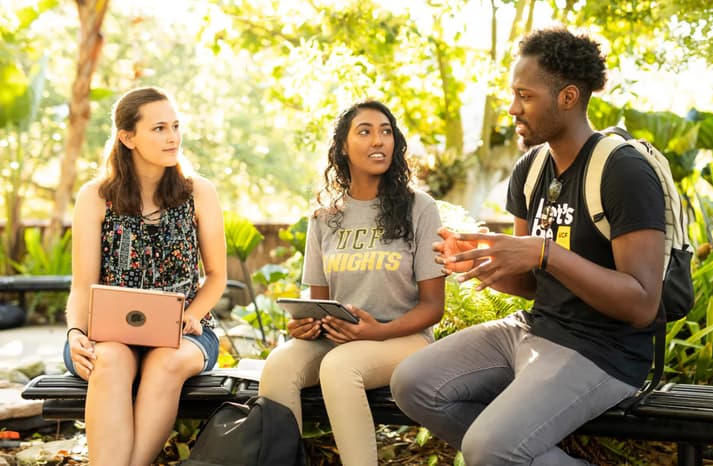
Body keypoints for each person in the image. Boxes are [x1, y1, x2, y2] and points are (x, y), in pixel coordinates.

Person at [391, 26, 666, 465]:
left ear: (569, 97)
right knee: (412, 383)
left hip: (604, 352)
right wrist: (484, 265)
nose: (513, 108)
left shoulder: (623, 170)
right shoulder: (531, 169)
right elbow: (534, 283)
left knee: (487, 448)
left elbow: (641, 304)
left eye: (525, 95)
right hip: (535, 329)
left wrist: (545, 252)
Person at [258, 100, 445, 466]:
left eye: (386, 131)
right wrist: (307, 325)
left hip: (402, 338)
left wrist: (376, 332)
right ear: (342, 147)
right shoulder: (325, 217)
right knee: (279, 366)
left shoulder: (419, 208)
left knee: (340, 366)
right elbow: (320, 303)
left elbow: (433, 308)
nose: (379, 141)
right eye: (365, 132)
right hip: (341, 338)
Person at [63, 86, 227, 466]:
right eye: (158, 129)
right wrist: (75, 333)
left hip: (186, 333)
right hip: (109, 334)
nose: (172, 137)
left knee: (165, 361)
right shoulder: (95, 197)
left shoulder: (199, 192)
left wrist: (191, 313)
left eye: (175, 126)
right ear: (128, 137)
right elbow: (82, 286)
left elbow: (216, 276)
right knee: (110, 361)